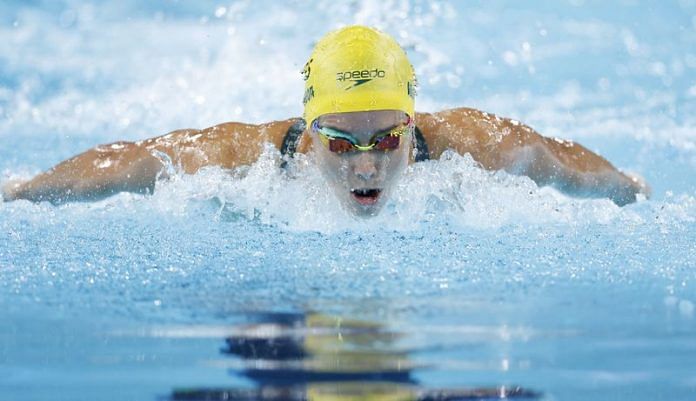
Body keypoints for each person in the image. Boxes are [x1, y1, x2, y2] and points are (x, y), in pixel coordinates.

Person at [1, 25, 649, 216]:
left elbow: (555, 156)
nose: (365, 162)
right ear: (310, 134)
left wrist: (629, 187)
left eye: (386, 138)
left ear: (410, 122)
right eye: (341, 142)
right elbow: (133, 160)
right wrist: (24, 189)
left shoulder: (469, 144)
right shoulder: (252, 155)